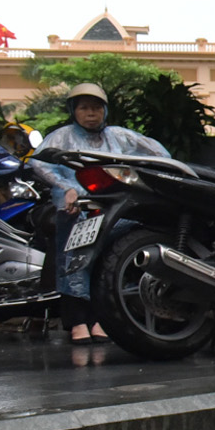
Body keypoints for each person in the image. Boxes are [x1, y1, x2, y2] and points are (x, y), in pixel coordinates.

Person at [26, 83, 170, 343]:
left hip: (113, 208)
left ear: (104, 111)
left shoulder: (118, 136)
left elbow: (159, 152)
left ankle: (102, 320)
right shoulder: (62, 136)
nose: (90, 113)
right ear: (74, 111)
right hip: (75, 208)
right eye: (83, 108)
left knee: (107, 263)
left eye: (95, 108)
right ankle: (78, 321)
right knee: (73, 262)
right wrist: (67, 187)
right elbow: (38, 162)